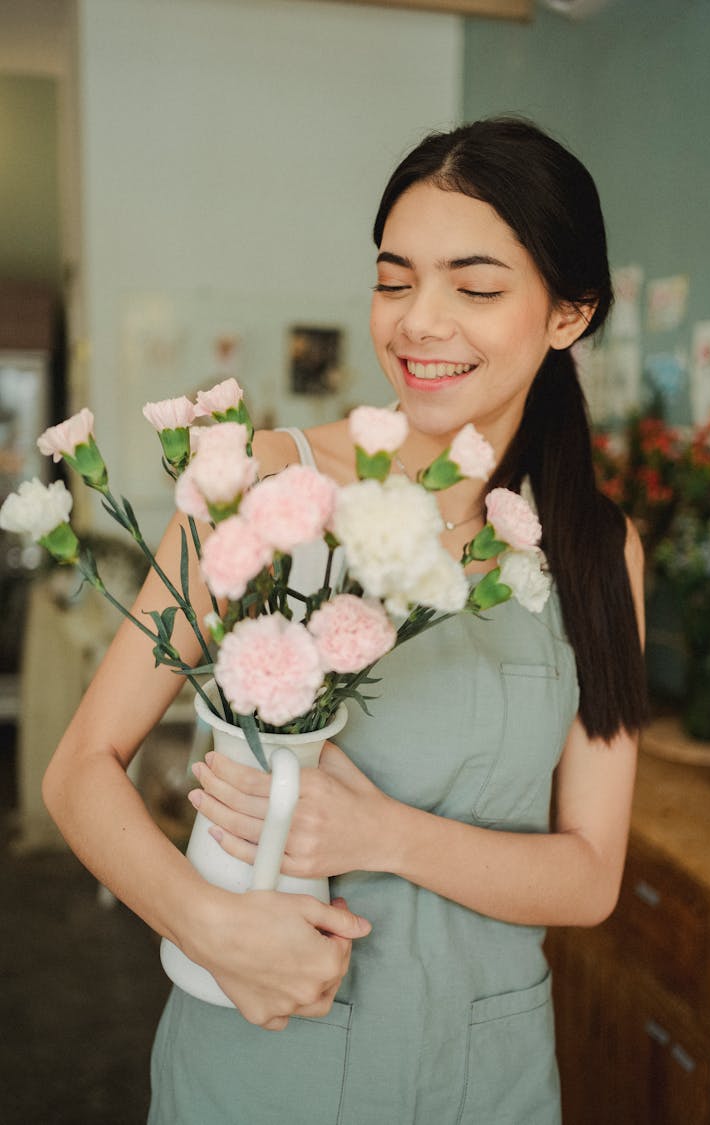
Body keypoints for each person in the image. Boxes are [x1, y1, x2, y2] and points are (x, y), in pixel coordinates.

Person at [43, 117, 648, 1124]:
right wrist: (206, 927)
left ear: (568, 314)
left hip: (486, 1072)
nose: (420, 321)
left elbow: (589, 877)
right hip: (266, 1048)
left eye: (477, 286)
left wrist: (384, 834)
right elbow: (79, 768)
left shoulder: (595, 547)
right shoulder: (268, 485)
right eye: (395, 279)